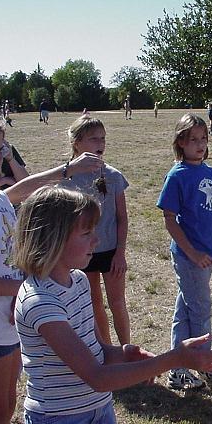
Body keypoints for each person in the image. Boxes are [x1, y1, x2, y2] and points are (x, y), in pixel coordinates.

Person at [13, 186, 212, 424]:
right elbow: (97, 376)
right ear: (51, 239)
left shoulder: (78, 281)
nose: (97, 239)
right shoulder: (40, 303)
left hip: (98, 411)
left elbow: (97, 351)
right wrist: (174, 359)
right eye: (86, 233)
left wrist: (125, 352)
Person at [0, 107, 103, 424]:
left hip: (6, 323)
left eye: (1, 151)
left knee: (4, 411)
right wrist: (17, 288)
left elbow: (22, 189)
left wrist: (65, 171)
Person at [157, 113, 212, 390]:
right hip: (191, 257)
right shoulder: (177, 176)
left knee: (186, 311)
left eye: (204, 138)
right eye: (193, 140)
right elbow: (169, 218)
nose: (200, 145)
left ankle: (178, 369)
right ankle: (206, 366)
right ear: (181, 142)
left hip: (208, 254)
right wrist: (190, 253)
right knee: (200, 312)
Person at [62, 115, 130, 346]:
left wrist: (120, 253)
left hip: (110, 250)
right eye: (93, 139)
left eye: (102, 138)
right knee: (93, 302)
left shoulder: (113, 176)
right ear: (76, 143)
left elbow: (122, 217)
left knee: (117, 302)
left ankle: (127, 350)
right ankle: (106, 350)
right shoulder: (66, 179)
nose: (100, 144)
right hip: (82, 252)